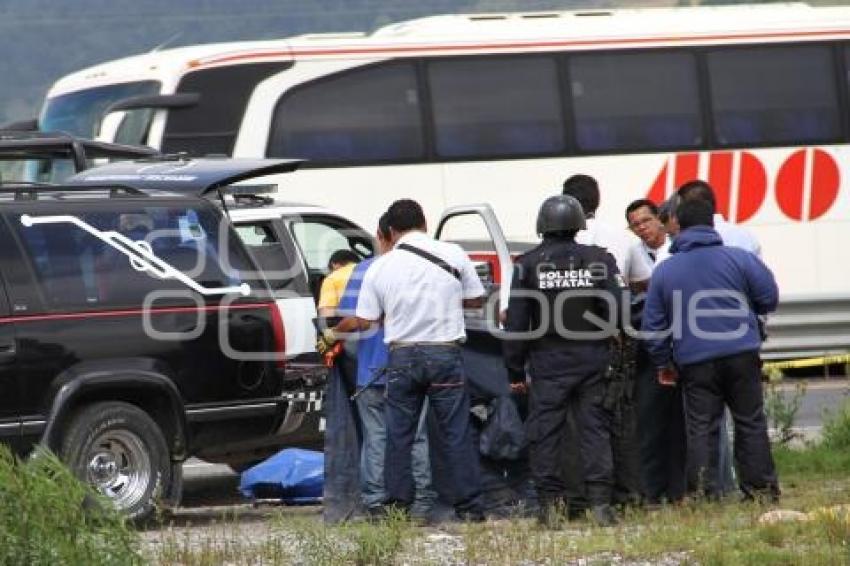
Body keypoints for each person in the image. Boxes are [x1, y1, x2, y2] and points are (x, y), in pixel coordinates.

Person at [328, 198, 486, 521]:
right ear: (425, 224)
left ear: (390, 231)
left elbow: (367, 319)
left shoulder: (379, 267)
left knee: (398, 435)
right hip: (445, 354)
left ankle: (398, 506)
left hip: (401, 356)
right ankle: (469, 508)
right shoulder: (453, 254)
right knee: (455, 431)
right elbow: (476, 298)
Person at [642, 199, 780, 501]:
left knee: (701, 428)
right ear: (711, 224)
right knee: (750, 421)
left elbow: (653, 326)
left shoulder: (665, 270)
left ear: (677, 224)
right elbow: (769, 297)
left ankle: (704, 494)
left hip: (694, 361)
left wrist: (664, 362)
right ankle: (761, 491)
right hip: (742, 353)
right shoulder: (740, 258)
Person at [503, 194, 626, 527]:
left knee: (545, 434)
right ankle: (600, 505)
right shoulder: (599, 259)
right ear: (577, 224)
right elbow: (618, 308)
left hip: (548, 362)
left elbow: (516, 323)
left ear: (543, 225)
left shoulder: (527, 265)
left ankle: (550, 509)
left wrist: (514, 369)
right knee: (595, 431)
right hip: (593, 359)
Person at [336, 213, 437, 520]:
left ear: (383, 235)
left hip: (371, 370)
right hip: (415, 365)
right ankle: (421, 502)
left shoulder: (366, 269)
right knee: (417, 437)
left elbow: (352, 320)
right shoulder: (427, 267)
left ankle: (377, 503)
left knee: (377, 435)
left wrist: (331, 333)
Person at [563, 174, 645, 508]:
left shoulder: (555, 241)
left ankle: (579, 495)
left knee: (574, 424)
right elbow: (641, 284)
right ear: (598, 199)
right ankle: (625, 495)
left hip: (565, 342)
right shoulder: (621, 240)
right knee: (619, 418)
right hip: (615, 341)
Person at [625, 198, 686, 504]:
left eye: (645, 221)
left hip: (677, 343)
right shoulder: (632, 253)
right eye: (635, 225)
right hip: (648, 346)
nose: (641, 229)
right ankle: (653, 490)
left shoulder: (675, 250)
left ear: (660, 219)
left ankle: (681, 489)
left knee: (680, 422)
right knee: (648, 421)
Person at [317, 249, 360, 316]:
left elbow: (327, 315)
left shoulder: (332, 278)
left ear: (334, 264)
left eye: (330, 270)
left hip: (349, 324)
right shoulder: (371, 272)